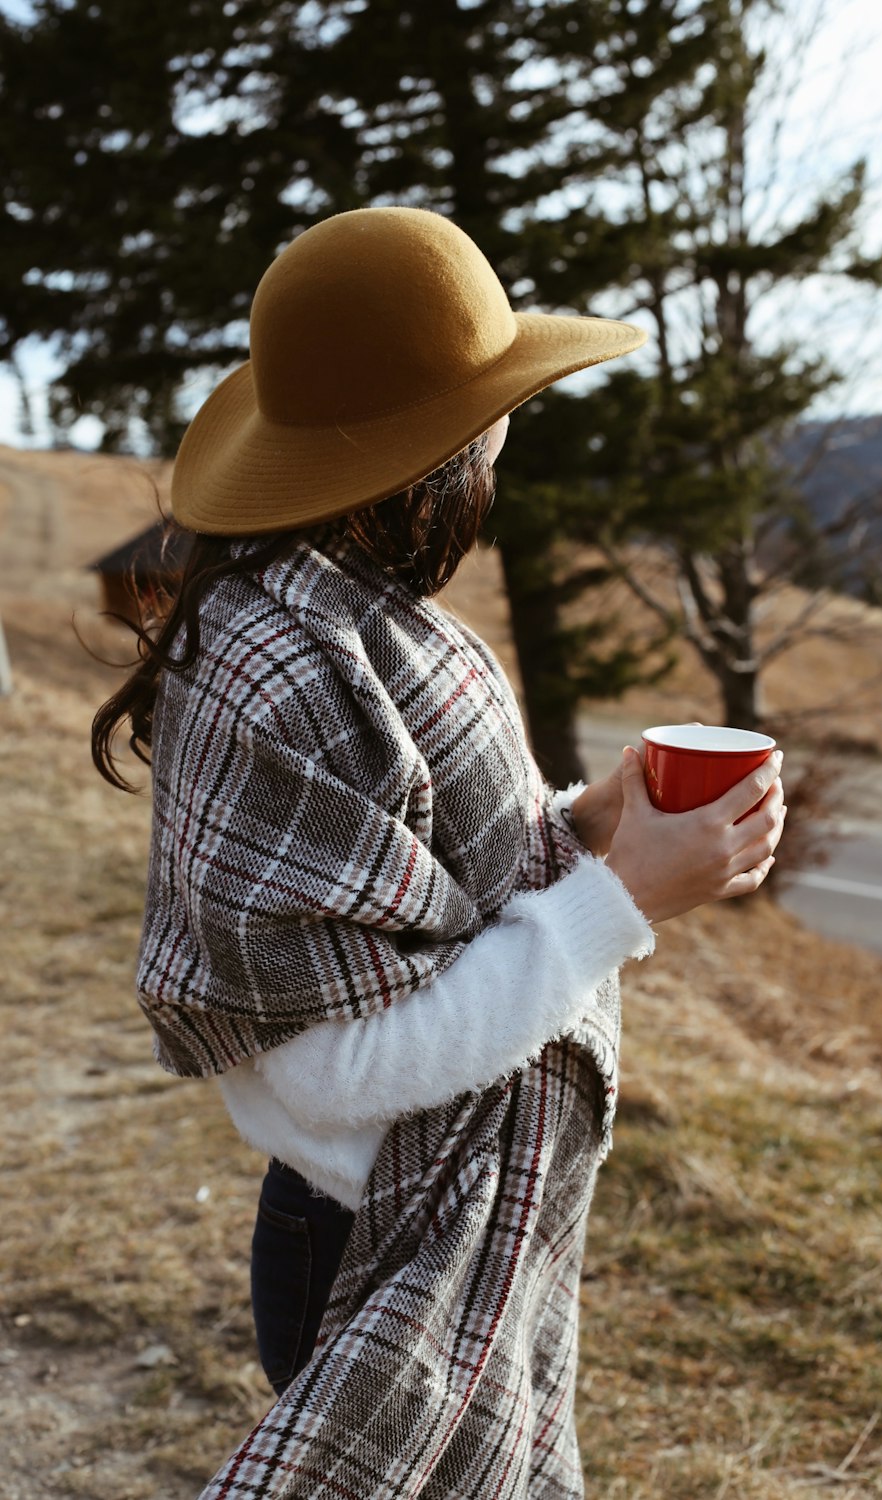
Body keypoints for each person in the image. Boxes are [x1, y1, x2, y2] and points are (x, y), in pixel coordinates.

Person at [92, 206, 785, 1499]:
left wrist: (583, 825)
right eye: (496, 409)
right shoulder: (288, 667)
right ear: (436, 453)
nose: (507, 438)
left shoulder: (342, 620)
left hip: (419, 1210)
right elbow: (341, 1067)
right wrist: (622, 897)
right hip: (376, 1238)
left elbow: (427, 900)